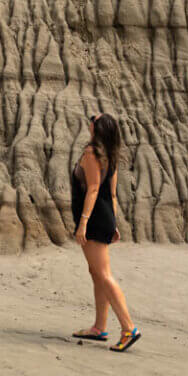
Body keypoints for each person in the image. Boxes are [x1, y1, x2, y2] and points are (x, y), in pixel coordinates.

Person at [70, 113, 141, 352]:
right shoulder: (110, 155)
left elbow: (92, 189)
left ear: (97, 128)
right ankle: (99, 327)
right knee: (96, 272)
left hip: (94, 219)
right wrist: (114, 223)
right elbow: (111, 194)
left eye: (92, 119)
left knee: (103, 274)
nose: (89, 120)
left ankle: (128, 328)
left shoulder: (91, 153)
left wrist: (83, 224)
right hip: (103, 218)